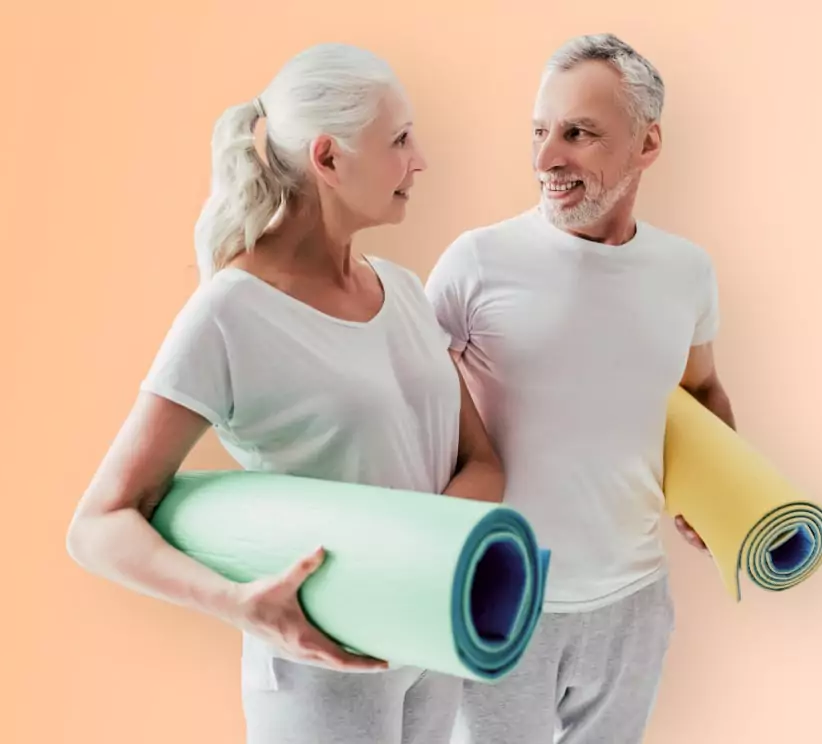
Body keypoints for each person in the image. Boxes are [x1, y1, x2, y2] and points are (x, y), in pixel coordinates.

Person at [66, 43, 504, 744]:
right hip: (318, 670)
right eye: (398, 140)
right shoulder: (232, 314)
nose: (419, 159)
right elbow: (99, 524)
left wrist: (417, 565)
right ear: (328, 159)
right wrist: (240, 604)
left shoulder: (405, 292)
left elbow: (484, 461)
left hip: (429, 636)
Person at [424, 33, 736, 744]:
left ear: (647, 144)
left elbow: (705, 388)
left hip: (634, 605)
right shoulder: (476, 262)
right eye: (538, 132)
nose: (546, 160)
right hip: (499, 600)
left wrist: (719, 497)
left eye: (579, 134)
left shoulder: (685, 272)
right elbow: (404, 406)